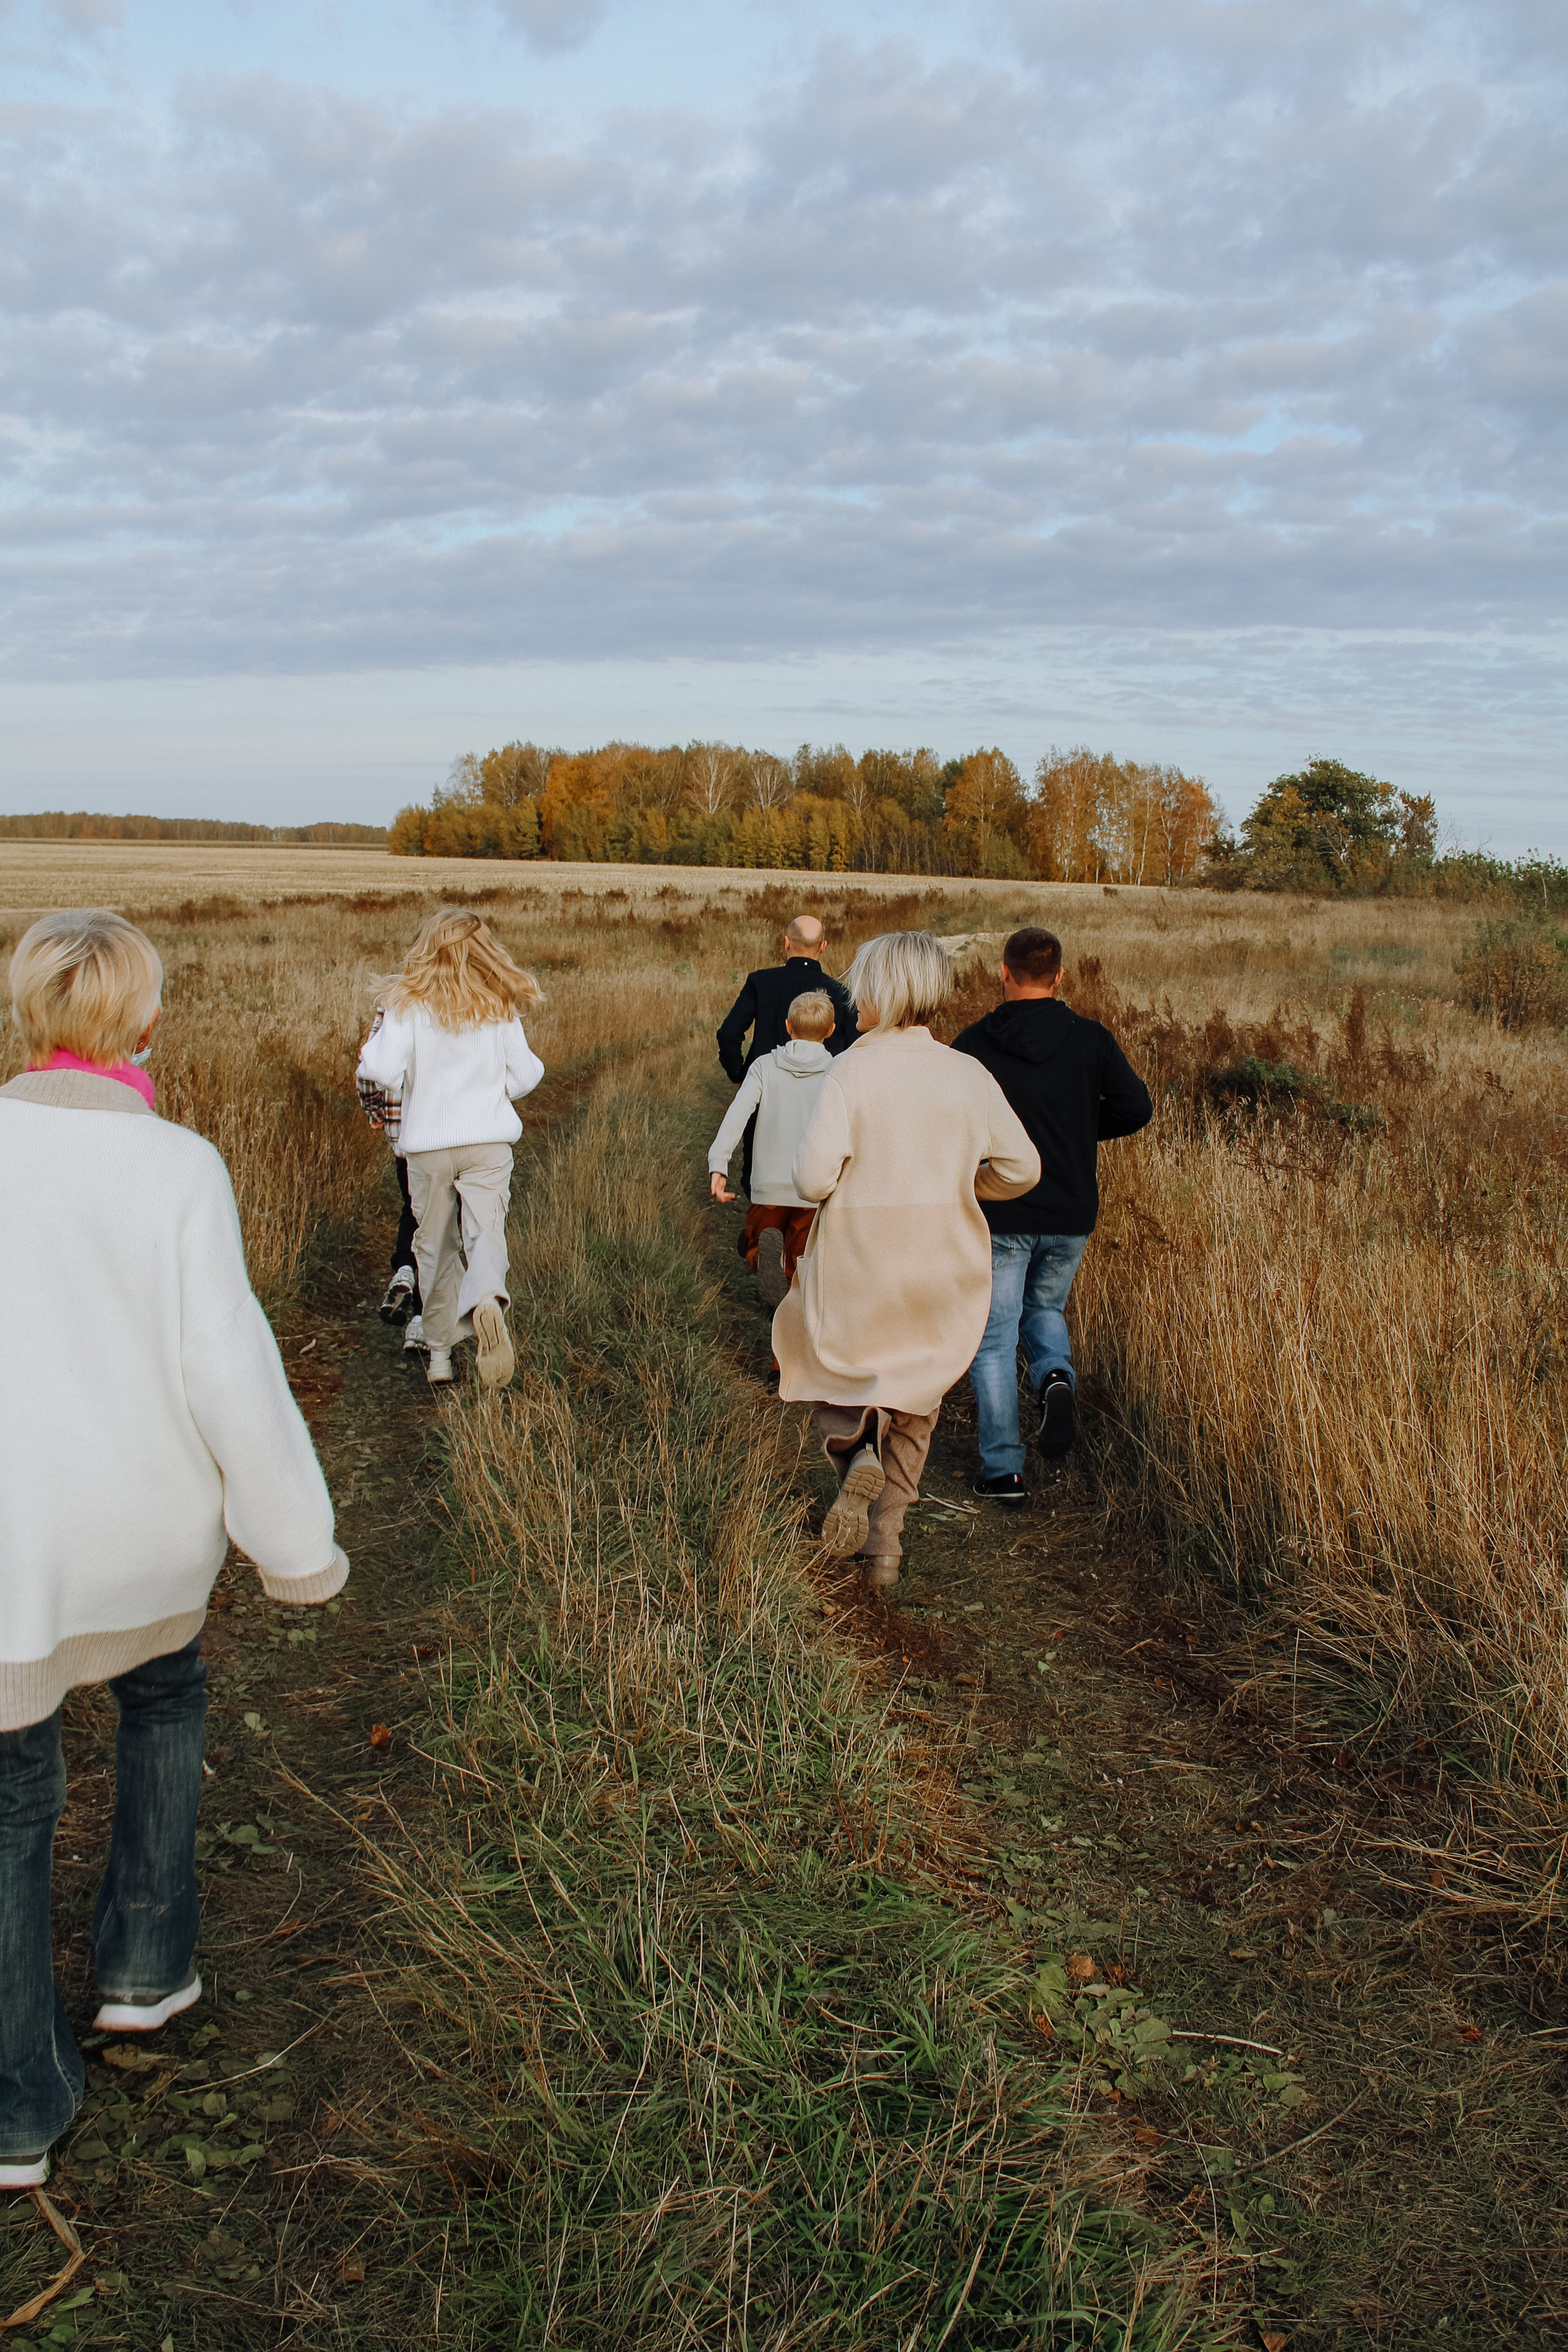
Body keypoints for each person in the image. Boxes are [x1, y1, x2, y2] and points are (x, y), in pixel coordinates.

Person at [0, 908, 347, 2190]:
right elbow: (230, 1374)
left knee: (10, 1786)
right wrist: (292, 1544)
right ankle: (145, 1969)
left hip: (10, 1547)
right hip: (144, 1532)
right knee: (163, 1694)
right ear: (145, 1023)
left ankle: (17, 2102)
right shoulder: (179, 1165)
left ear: (28, 1017)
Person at [774, 931, 1038, 1592]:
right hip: (941, 1257)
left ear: (878, 990)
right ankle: (885, 1550)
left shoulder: (852, 1070)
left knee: (832, 1370)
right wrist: (967, 1184)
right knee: (917, 1400)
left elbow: (810, 1181)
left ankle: (855, 1447)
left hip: (859, 1256)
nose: (851, 998)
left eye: (858, 984)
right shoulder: (967, 1074)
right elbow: (1023, 1168)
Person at [954, 925, 1152, 1499]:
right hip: (1070, 1209)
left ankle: (1003, 1471)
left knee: (993, 1338)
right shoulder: (1091, 1039)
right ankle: (1054, 1376)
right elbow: (1137, 1108)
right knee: (1045, 1308)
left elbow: (953, 1119)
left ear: (1003, 971)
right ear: (1061, 975)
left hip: (1003, 1210)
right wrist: (1087, 1131)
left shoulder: (975, 1044)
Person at [356, 909, 545, 1390]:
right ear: (485, 949)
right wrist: (488, 1088)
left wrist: (420, 1079)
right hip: (487, 1142)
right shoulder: (499, 1003)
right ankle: (485, 1299)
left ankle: (440, 1356)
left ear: (429, 947)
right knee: (487, 1233)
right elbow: (526, 1075)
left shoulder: (408, 1003)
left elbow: (378, 1070)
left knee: (434, 1246)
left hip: (429, 1149)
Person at [707, 989, 835, 1308]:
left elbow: (738, 1113)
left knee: (756, 1237)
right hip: (811, 1189)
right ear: (831, 1031)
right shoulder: (837, 1070)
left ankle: (761, 1256)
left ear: (788, 1026)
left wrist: (718, 1164)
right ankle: (788, 1295)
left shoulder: (765, 1065)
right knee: (800, 1262)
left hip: (767, 1186)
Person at [716, 915, 857, 1203]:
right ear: (823, 947)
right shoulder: (841, 994)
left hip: (766, 1089)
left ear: (786, 943)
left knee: (758, 1157)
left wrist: (741, 1075)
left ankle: (760, 1218)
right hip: (821, 1095)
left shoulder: (761, 982)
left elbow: (729, 1034)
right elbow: (855, 1050)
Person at [356, 1009, 427, 1356]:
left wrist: (374, 1110)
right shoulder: (454, 997)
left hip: (402, 1135)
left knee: (411, 1208)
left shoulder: (393, 1004)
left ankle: (403, 1271)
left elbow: (369, 1065)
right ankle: (421, 1322)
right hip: (441, 1133)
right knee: (440, 1223)